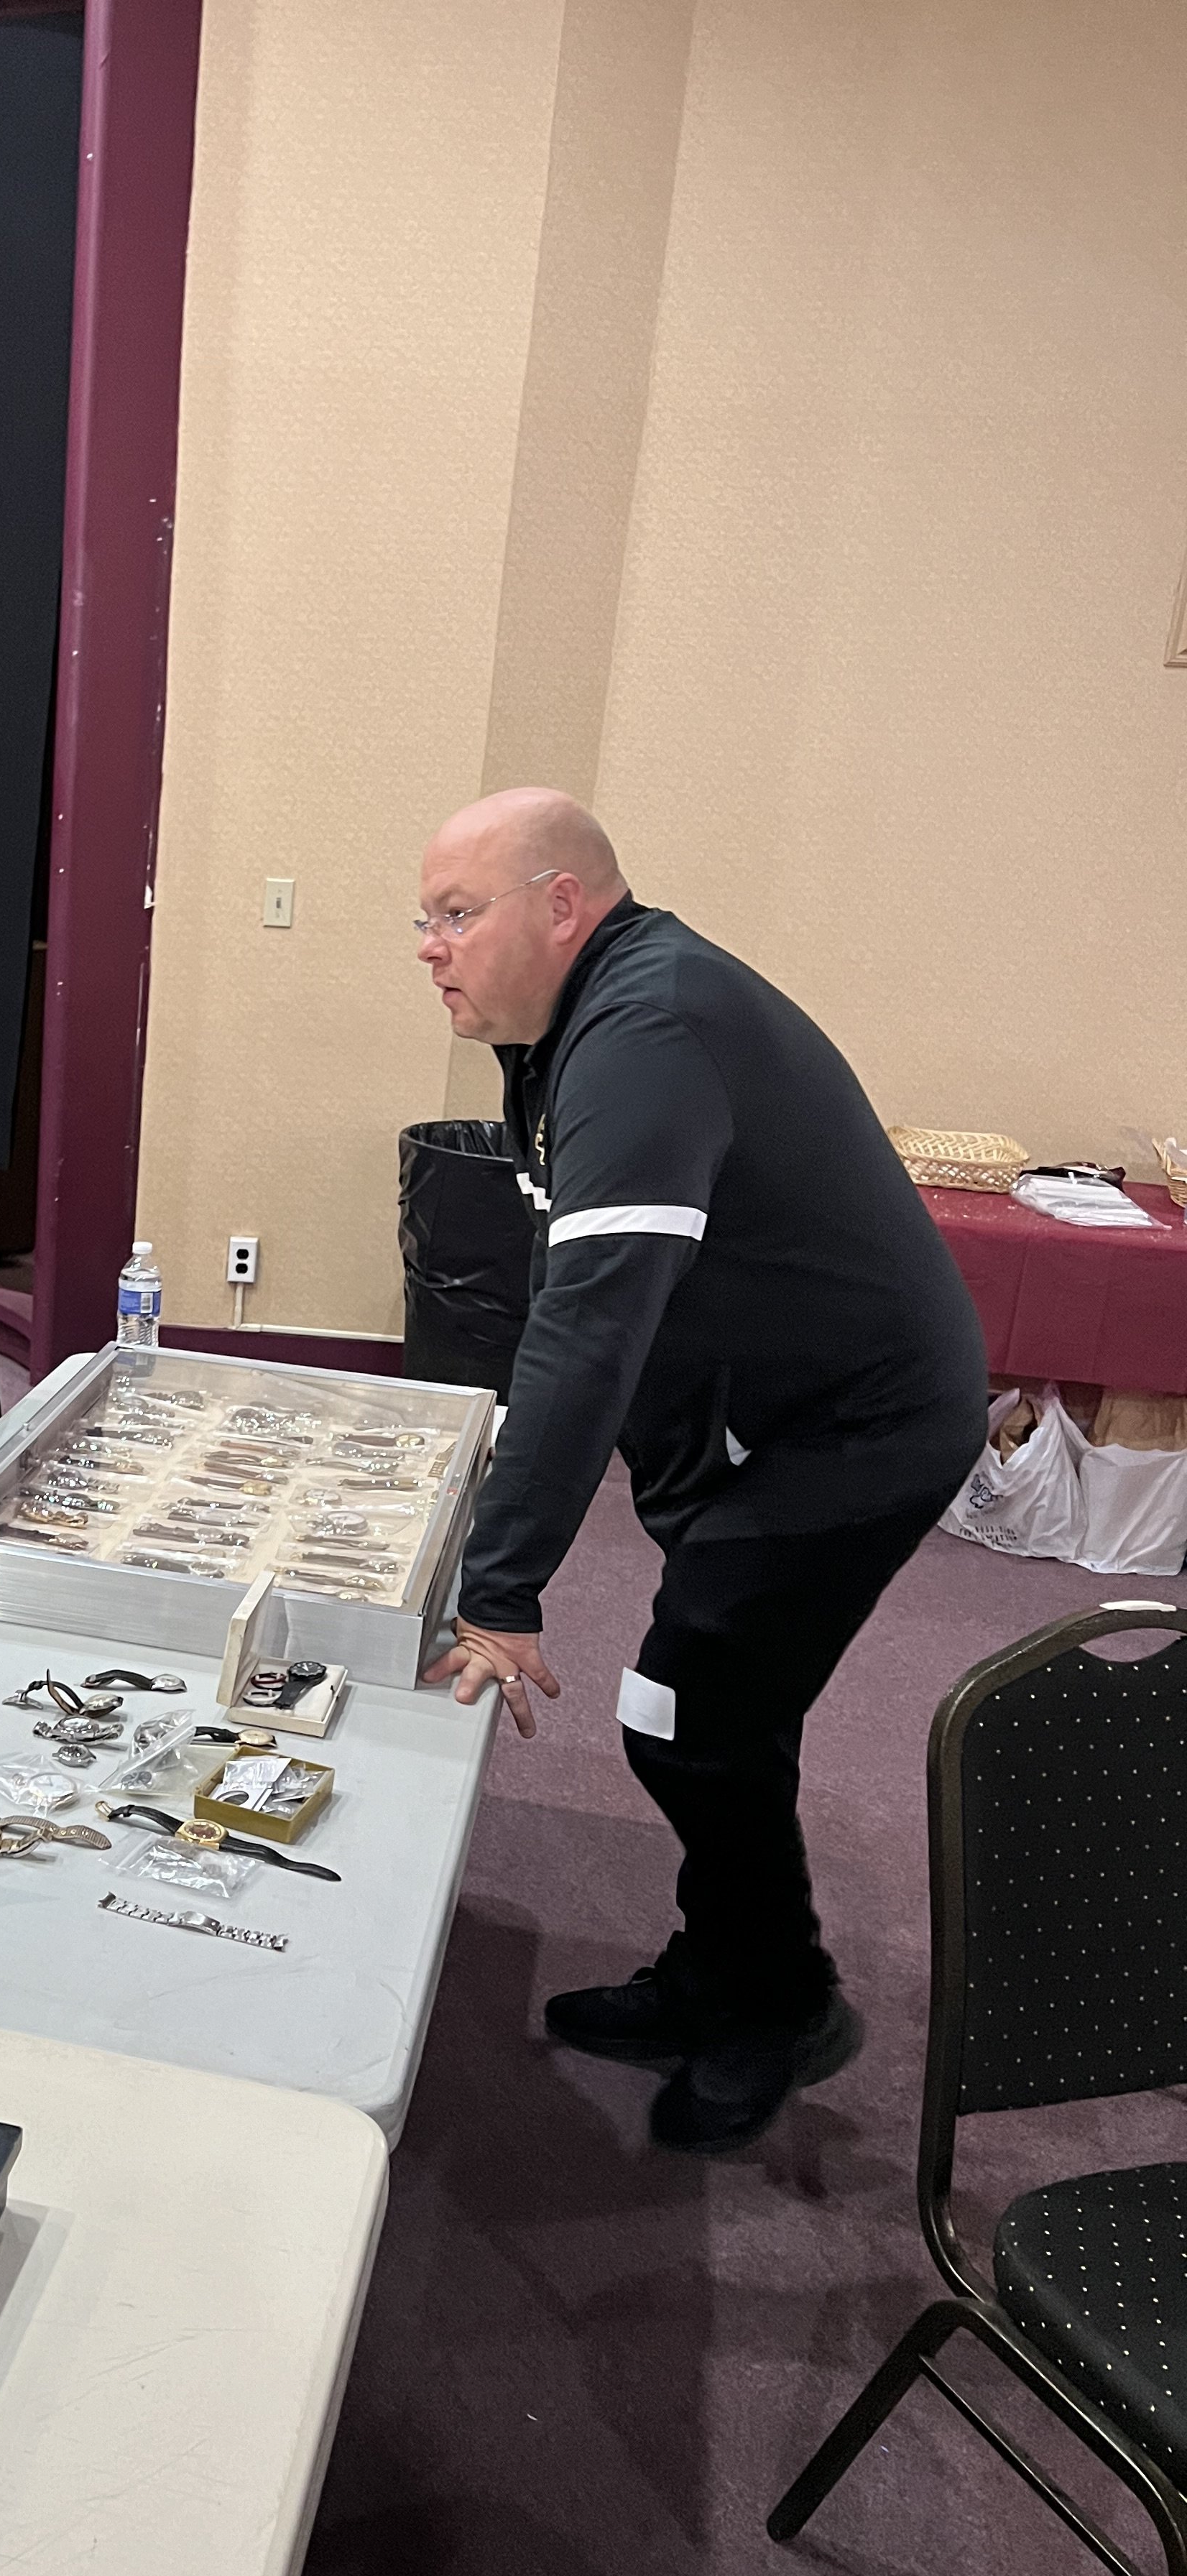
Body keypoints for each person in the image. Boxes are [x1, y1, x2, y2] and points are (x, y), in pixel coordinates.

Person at [420, 789, 989, 2152]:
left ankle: (781, 2004)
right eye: (423, 920)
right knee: (725, 1699)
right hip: (774, 1420)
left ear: (562, 904)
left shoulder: (647, 1027)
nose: (428, 947)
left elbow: (591, 1326)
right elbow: (588, 1291)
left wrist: (500, 1589)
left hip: (859, 1429)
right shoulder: (577, 1023)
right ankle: (717, 1966)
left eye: (456, 913)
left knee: (685, 1712)